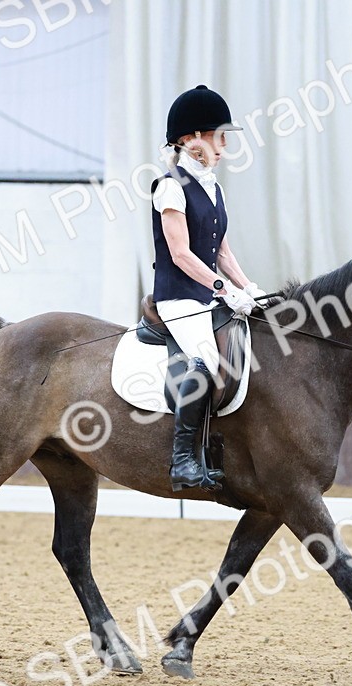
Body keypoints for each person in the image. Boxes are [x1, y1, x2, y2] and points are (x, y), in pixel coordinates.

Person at [151, 85, 268, 492]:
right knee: (206, 361)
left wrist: (247, 286)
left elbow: (222, 252)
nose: (223, 145)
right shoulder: (169, 187)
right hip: (177, 299)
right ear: (188, 140)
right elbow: (181, 254)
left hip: (206, 295)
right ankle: (183, 461)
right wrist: (222, 288)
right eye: (216, 136)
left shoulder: (213, 187)